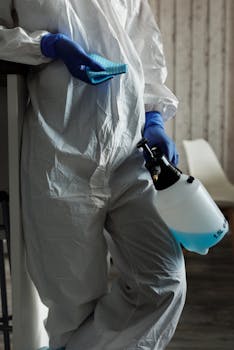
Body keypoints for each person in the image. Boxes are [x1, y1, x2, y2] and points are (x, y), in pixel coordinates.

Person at [0, 1, 186, 349]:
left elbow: (144, 47)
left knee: (165, 282)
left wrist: (154, 118)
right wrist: (45, 45)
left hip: (130, 150)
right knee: (73, 309)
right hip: (61, 156)